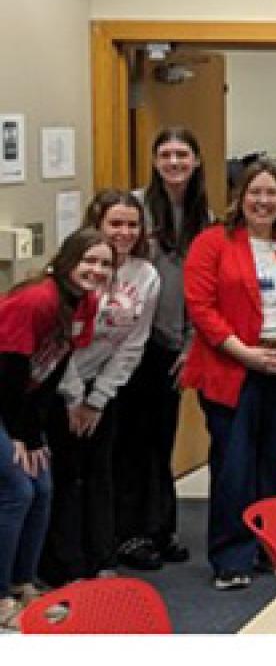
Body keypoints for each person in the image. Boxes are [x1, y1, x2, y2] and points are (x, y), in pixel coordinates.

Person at [182, 161, 276, 591]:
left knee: (275, 463)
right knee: (235, 465)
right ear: (240, 196)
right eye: (255, 193)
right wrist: (245, 354)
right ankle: (232, 556)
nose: (263, 202)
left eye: (272, 194)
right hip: (232, 370)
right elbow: (202, 307)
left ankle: (273, 546)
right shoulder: (213, 243)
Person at [42, 192, 158, 587]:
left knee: (101, 472)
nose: (124, 232)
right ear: (98, 224)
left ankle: (101, 558)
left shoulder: (146, 276)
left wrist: (98, 398)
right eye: (115, 224)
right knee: (65, 474)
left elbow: (134, 343)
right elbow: (60, 343)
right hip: (59, 383)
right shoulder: (79, 270)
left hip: (103, 388)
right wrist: (75, 397)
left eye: (132, 224)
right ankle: (64, 566)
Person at [0, 230, 109, 627]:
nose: (96, 270)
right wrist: (20, 436)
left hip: (20, 404)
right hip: (3, 398)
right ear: (67, 261)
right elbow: (9, 374)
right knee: (16, 488)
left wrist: (34, 434)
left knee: (43, 487)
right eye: (89, 261)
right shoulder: (37, 300)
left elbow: (52, 370)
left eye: (105, 264)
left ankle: (22, 584)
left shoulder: (86, 303)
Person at [116, 126, 209, 572]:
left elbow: (201, 285)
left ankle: (160, 528)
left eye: (182, 155)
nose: (174, 163)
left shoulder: (201, 214)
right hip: (132, 344)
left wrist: (192, 343)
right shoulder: (135, 209)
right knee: (133, 443)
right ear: (154, 161)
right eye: (166, 154)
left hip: (175, 344)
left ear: (196, 161)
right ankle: (131, 534)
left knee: (161, 441)